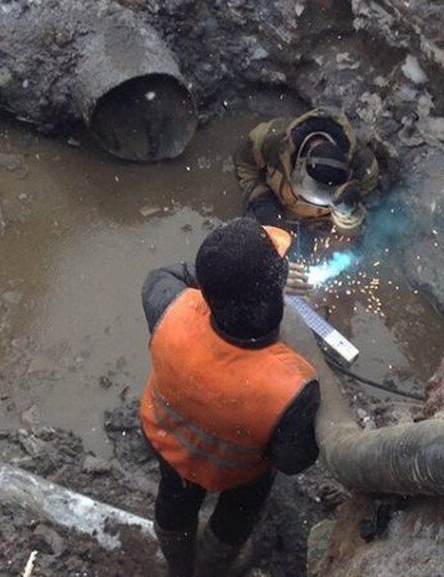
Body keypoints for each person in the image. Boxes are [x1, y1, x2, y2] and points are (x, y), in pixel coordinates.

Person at [139, 218, 320, 576]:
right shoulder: (293, 388)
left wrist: (225, 284)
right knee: (237, 515)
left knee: (174, 505)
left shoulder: (167, 305)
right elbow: (293, 460)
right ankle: (212, 566)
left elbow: (165, 275)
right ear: (276, 290)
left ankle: (179, 566)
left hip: (169, 446)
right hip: (237, 474)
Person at [234, 108, 380, 235]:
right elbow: (244, 164)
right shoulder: (270, 140)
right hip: (274, 206)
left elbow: (357, 228)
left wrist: (347, 213)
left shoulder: (365, 171)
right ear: (299, 166)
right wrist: (260, 198)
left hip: (321, 223)